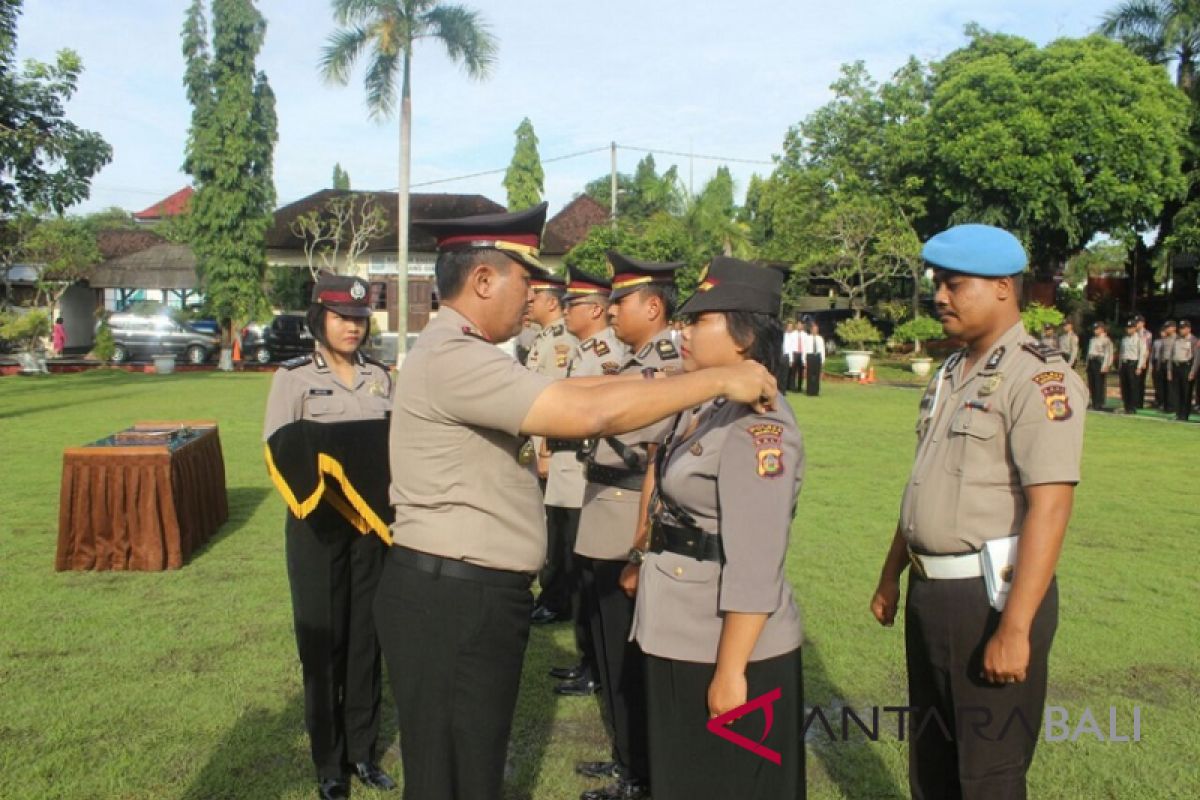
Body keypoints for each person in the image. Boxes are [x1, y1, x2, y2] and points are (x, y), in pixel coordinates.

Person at [374, 203, 778, 800]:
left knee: (467, 765)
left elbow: (573, 387)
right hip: (454, 596)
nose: (536, 297)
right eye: (525, 281)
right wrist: (718, 380)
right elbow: (582, 411)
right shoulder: (455, 356)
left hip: (460, 591)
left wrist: (663, 381)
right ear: (483, 280)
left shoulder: (463, 350)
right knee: (450, 776)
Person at [870, 224, 1087, 800]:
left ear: (1001, 289)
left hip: (990, 598)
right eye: (938, 283)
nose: (939, 296)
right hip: (930, 590)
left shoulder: (1039, 378)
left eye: (954, 284)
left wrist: (1015, 628)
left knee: (988, 771)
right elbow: (924, 479)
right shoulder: (951, 373)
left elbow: (1051, 505)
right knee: (933, 758)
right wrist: (893, 572)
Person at [627, 256, 806, 800]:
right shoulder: (706, 406)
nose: (681, 331)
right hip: (680, 626)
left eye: (698, 321)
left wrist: (731, 672)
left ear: (744, 337)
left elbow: (757, 561)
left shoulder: (759, 426)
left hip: (724, 645)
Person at [262, 274, 397, 800]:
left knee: (367, 639)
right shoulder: (293, 378)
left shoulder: (382, 379)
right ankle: (328, 763)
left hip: (371, 531)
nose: (352, 328)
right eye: (342, 317)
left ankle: (363, 751)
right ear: (320, 319)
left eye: (360, 319)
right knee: (323, 643)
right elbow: (279, 449)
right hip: (316, 528)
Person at [570, 250, 681, 800]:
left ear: (653, 306)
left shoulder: (670, 363)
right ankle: (627, 758)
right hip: (601, 508)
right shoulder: (634, 360)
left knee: (627, 653)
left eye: (621, 302)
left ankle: (639, 769)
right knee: (607, 644)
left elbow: (653, 446)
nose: (611, 313)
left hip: (627, 518)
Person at [548, 265, 628, 698]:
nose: (565, 310)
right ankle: (587, 660)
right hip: (575, 468)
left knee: (589, 575)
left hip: (587, 472)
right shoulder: (583, 349)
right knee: (577, 569)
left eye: (572, 304)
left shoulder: (604, 354)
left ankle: (594, 664)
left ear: (594, 309)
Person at [525, 271, 580, 626]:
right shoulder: (543, 337)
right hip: (542, 448)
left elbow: (560, 400)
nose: (528, 301)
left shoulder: (563, 341)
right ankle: (553, 593)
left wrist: (545, 450)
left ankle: (556, 597)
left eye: (534, 296)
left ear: (550, 301)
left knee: (560, 531)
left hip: (557, 450)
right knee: (549, 527)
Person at [1117, 318, 1148, 415]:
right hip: (1125, 363)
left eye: (1131, 328)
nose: (1128, 330)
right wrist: (1120, 365)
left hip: (1133, 364)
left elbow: (1142, 353)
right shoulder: (1124, 339)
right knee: (1124, 386)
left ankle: (1132, 407)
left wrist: (1139, 367)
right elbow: (1122, 353)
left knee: (1132, 386)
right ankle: (1126, 406)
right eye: (1127, 328)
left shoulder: (1139, 339)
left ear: (1135, 328)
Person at [1084, 321, 1113, 411]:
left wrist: (1106, 365)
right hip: (1092, 361)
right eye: (1094, 329)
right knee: (1092, 383)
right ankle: (1093, 402)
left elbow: (1109, 353)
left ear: (1101, 329)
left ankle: (1099, 403)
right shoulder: (1092, 339)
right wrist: (1087, 363)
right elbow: (1089, 352)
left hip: (1099, 361)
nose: (1095, 331)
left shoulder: (1106, 340)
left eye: (1097, 329)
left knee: (1099, 383)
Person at [1171, 319, 1196, 421]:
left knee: (1186, 392)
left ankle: (1184, 415)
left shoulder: (1194, 340)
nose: (1181, 330)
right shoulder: (1177, 339)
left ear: (1188, 329)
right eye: (1180, 328)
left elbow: (1196, 358)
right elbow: (1172, 354)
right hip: (1177, 366)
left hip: (1187, 367)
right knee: (1177, 391)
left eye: (1183, 328)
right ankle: (1178, 413)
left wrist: (1193, 371)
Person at [1151, 320, 1176, 412]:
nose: (1166, 330)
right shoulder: (1164, 339)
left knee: (1170, 386)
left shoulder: (1177, 339)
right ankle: (1164, 405)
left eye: (1168, 327)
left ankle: (1171, 406)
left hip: (1172, 364)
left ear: (1173, 328)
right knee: (1162, 385)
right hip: (1162, 363)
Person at [804, 317, 826, 397]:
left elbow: (822, 350)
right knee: (810, 375)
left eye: (816, 329)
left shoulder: (820, 339)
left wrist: (823, 360)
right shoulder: (807, 338)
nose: (815, 331)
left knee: (816, 375)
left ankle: (816, 391)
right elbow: (804, 349)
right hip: (810, 356)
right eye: (814, 329)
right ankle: (809, 391)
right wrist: (804, 360)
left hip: (817, 357)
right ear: (811, 330)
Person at [783, 320, 802, 392]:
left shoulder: (793, 335)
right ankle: (784, 387)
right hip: (784, 355)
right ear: (786, 327)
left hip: (791, 355)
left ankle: (789, 387)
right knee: (785, 373)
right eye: (789, 327)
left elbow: (792, 348)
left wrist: (791, 359)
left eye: (791, 327)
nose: (790, 328)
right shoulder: (784, 335)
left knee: (790, 372)